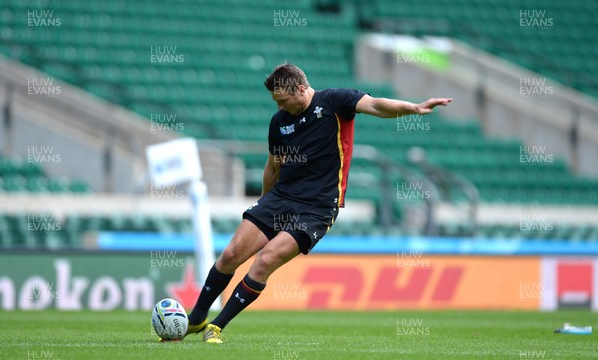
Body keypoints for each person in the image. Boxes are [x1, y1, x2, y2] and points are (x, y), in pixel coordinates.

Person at [185, 63, 452, 343]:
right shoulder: (279, 122)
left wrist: (414, 108)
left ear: (300, 88)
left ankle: (215, 326)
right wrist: (262, 207)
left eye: (283, 100)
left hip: (317, 208)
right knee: (231, 254)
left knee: (266, 259)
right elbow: (272, 167)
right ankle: (196, 318)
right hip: (280, 198)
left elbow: (376, 105)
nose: (280, 106)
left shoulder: (335, 101)